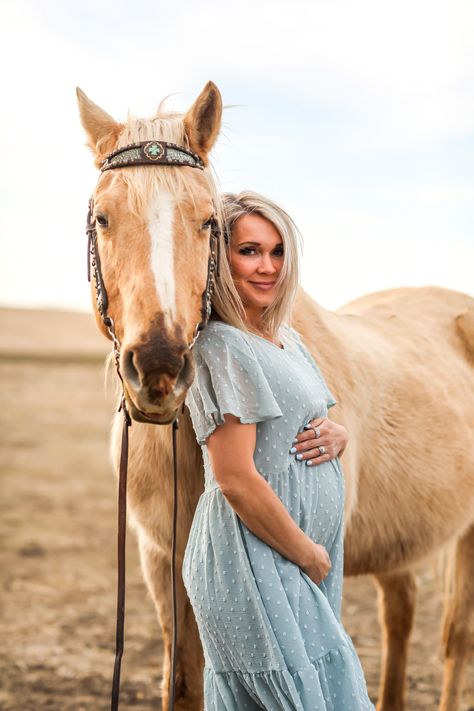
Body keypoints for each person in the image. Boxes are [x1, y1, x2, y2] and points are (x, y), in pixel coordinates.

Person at [183, 190, 375, 710]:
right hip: (254, 555)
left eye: (277, 251)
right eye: (248, 251)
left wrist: (340, 434)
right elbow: (235, 478)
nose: (267, 266)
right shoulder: (220, 346)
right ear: (217, 258)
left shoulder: (288, 339)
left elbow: (309, 420)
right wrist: (306, 552)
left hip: (296, 556)